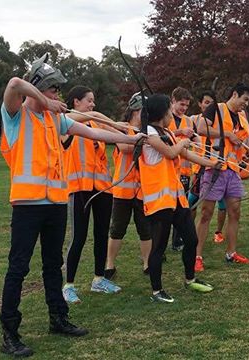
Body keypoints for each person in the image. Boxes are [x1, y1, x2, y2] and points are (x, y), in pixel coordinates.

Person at [0, 54, 143, 356]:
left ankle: (58, 319)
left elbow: (93, 131)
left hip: (54, 205)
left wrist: (132, 137)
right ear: (38, 88)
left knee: (53, 266)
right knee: (18, 268)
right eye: (52, 90)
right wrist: (43, 99)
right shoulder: (15, 115)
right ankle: (10, 333)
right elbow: (14, 83)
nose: (56, 97)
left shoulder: (56, 119)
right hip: (27, 206)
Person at [140, 93, 216, 303]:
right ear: (161, 113)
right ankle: (157, 291)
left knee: (191, 239)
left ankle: (190, 279)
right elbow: (172, 152)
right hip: (159, 201)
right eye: (168, 111)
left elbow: (184, 154)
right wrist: (183, 143)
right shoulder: (148, 133)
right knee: (159, 247)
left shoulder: (166, 132)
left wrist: (212, 164)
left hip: (176, 199)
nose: (170, 115)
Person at [196, 83, 249, 268]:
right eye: (245, 99)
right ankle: (197, 257)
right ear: (235, 94)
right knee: (206, 213)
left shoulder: (242, 119)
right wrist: (227, 134)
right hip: (214, 169)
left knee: (235, 213)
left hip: (233, 173)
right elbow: (201, 128)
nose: (246, 104)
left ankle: (231, 252)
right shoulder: (216, 108)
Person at [61, 85, 121, 304]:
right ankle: (68, 285)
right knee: (79, 237)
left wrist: (132, 132)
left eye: (93, 101)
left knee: (101, 234)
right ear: (76, 102)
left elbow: (119, 133)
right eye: (89, 100)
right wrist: (102, 118)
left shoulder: (95, 123)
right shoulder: (66, 122)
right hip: (80, 188)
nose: (92, 105)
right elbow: (83, 119)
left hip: (102, 188)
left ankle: (98, 279)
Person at [104, 93, 152, 279]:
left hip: (142, 190)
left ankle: (148, 264)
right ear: (134, 110)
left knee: (145, 228)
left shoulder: (149, 130)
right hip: (123, 189)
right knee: (117, 229)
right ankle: (109, 264)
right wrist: (144, 141)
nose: (145, 115)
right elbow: (124, 147)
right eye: (142, 111)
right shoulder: (121, 128)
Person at [188, 90, 228, 260]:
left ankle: (218, 232)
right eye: (206, 102)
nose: (208, 105)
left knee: (223, 204)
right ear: (200, 103)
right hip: (200, 168)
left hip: (219, 166)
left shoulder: (219, 120)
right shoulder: (193, 120)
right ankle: (190, 233)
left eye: (211, 102)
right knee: (193, 202)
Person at [168, 86, 198, 251]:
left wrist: (198, 141)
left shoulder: (188, 120)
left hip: (185, 170)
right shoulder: (164, 117)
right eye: (181, 104)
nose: (184, 108)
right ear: (172, 101)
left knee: (182, 206)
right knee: (169, 207)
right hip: (169, 169)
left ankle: (177, 240)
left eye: (186, 106)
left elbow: (194, 137)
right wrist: (180, 131)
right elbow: (160, 133)